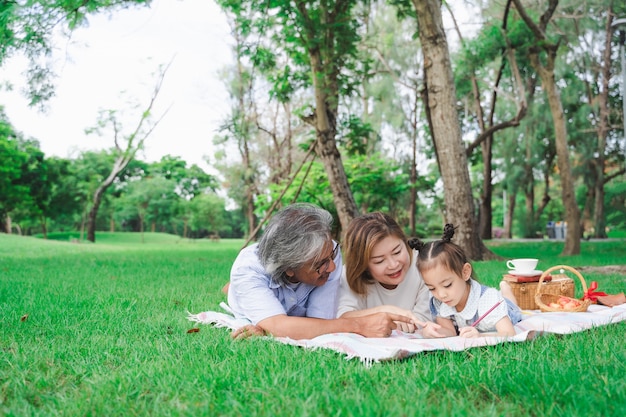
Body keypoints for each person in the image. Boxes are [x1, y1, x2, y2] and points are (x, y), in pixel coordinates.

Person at [226, 203, 413, 340]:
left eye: (331, 256)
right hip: (250, 295)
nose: (332, 268)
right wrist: (359, 326)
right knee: (235, 291)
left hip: (291, 304)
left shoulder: (328, 249)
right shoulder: (248, 269)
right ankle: (230, 288)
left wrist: (273, 327)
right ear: (289, 269)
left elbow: (321, 322)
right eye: (321, 264)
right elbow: (278, 325)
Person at [408, 224, 522, 338]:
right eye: (432, 288)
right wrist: (433, 332)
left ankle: (505, 290)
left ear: (465, 272)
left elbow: (509, 333)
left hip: (506, 311)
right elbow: (450, 331)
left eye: (447, 285)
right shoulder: (439, 302)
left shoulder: (489, 300)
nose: (441, 295)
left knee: (513, 307)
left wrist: (481, 336)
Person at [337, 212, 432, 333]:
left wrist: (398, 323)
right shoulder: (350, 276)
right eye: (379, 261)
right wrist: (386, 311)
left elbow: (424, 320)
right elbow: (343, 318)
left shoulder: (424, 266)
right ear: (363, 265)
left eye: (397, 252)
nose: (393, 265)